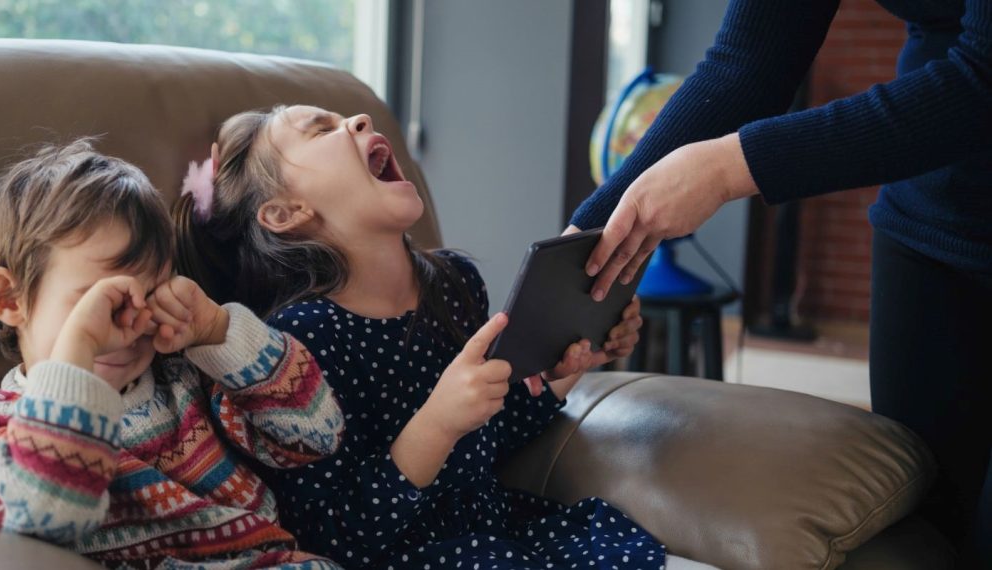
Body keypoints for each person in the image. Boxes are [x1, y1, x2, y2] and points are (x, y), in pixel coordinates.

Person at [170, 104, 733, 570]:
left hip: (502, 536)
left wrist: (562, 373)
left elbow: (490, 439)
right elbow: (334, 538)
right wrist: (437, 423)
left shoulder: (454, 283)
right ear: (286, 212)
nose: (358, 119)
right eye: (322, 129)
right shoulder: (298, 348)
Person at [568, 0, 991, 564]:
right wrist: (589, 232)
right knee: (928, 529)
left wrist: (728, 169)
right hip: (929, 226)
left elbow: (981, 84)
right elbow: (746, 62)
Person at [0, 140, 345, 569]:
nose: (128, 329)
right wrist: (76, 354)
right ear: (9, 299)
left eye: (150, 296)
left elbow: (314, 435)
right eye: (105, 302)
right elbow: (43, 518)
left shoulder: (186, 380)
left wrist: (217, 331)